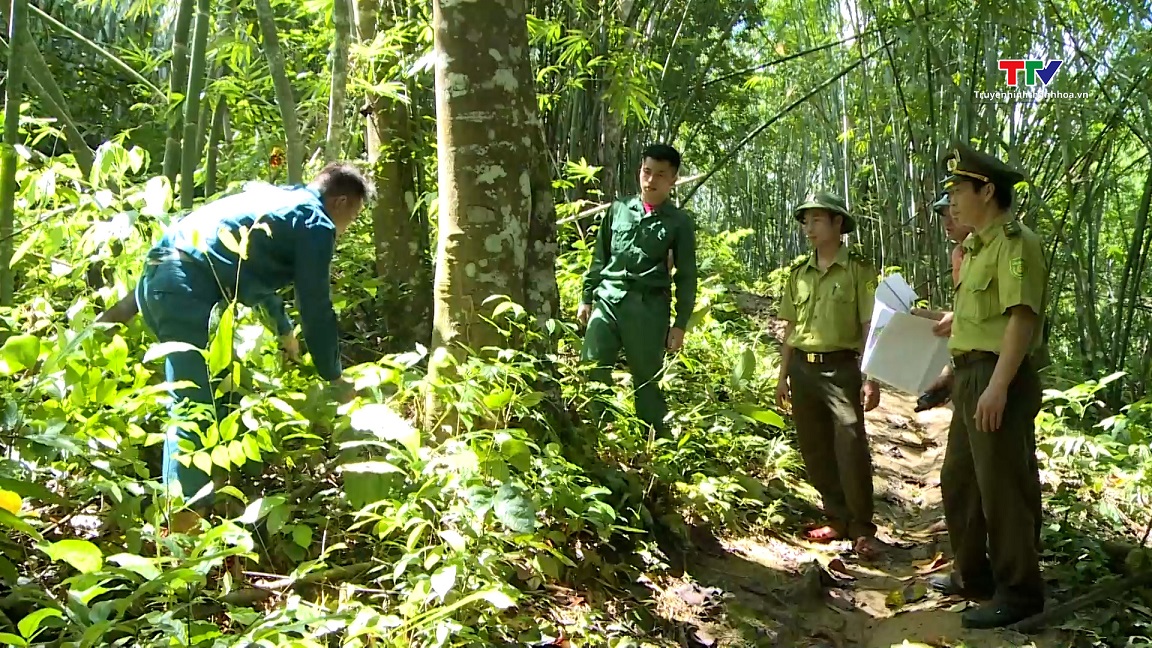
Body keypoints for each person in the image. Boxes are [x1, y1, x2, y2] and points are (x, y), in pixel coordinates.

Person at [136, 162, 369, 520]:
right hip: (185, 288)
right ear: (340, 203)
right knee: (191, 407)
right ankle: (181, 522)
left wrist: (283, 329)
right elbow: (316, 305)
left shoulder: (282, 202)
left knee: (217, 396)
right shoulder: (316, 222)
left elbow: (251, 275)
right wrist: (334, 375)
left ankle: (211, 498)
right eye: (351, 220)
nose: (345, 231)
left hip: (158, 280)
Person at [924, 142, 1047, 629]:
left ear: (987, 190)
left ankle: (1019, 592)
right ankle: (972, 575)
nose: (951, 201)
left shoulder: (1015, 242)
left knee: (1004, 488)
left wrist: (998, 386)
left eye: (959, 190)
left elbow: (1021, 318)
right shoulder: (975, 247)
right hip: (971, 375)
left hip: (1000, 377)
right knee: (960, 482)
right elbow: (983, 316)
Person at [775, 191, 882, 560]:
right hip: (804, 367)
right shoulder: (798, 273)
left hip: (841, 367)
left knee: (850, 444)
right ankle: (835, 517)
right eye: (806, 221)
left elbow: (870, 325)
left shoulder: (859, 270)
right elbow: (789, 327)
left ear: (838, 224)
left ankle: (862, 528)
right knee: (814, 446)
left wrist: (872, 376)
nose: (809, 227)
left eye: (817, 220)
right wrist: (782, 375)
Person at [577, 143, 697, 438]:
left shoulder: (679, 223)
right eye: (646, 172)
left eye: (660, 175)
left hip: (648, 309)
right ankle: (596, 435)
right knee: (592, 368)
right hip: (608, 300)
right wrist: (587, 296)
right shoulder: (618, 209)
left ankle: (655, 443)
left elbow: (687, 277)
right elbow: (599, 257)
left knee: (646, 380)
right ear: (638, 172)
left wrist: (680, 324)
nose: (651, 181)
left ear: (673, 180)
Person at [913, 193, 976, 412]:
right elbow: (964, 312)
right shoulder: (959, 253)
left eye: (954, 214)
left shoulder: (994, 251)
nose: (947, 222)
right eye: (943, 215)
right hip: (967, 365)